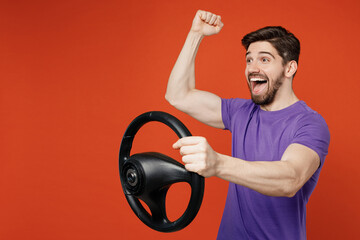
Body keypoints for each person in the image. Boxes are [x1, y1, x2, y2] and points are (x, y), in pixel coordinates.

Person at [165, 10, 330, 240]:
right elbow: (178, 95)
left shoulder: (310, 123)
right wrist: (195, 35)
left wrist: (219, 164)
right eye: (249, 59)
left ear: (289, 68)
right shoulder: (240, 112)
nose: (253, 68)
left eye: (264, 59)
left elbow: (290, 178)